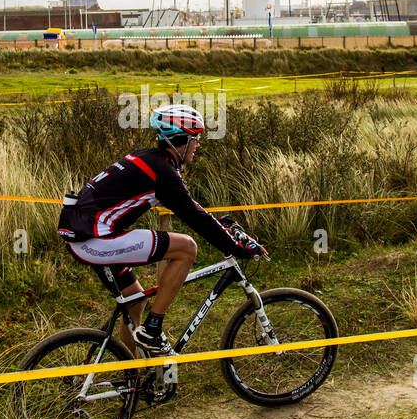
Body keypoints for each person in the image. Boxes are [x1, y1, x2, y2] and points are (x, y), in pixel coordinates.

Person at [56, 103, 267, 355]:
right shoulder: (162, 171)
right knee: (187, 248)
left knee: (136, 303)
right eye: (195, 138)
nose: (198, 145)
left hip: (85, 236)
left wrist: (222, 226)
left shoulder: (148, 159)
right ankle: (154, 328)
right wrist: (235, 247)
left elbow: (191, 207)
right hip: (94, 240)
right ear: (180, 139)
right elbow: (193, 216)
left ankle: (134, 375)